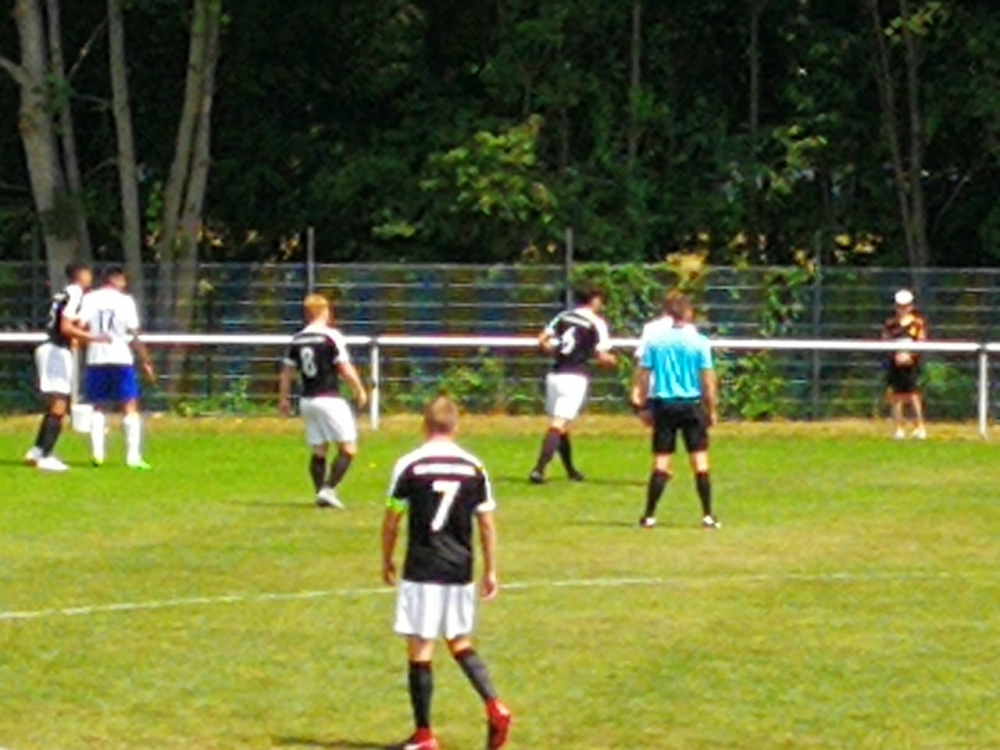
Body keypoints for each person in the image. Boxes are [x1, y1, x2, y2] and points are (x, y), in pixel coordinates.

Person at [381, 396, 512, 750]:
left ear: (424, 425)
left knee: (420, 647)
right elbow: (486, 522)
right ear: (456, 426)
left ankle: (424, 735)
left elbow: (393, 517)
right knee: (459, 641)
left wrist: (386, 558)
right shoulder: (474, 467)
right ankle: (495, 705)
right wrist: (491, 569)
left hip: (423, 567)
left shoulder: (410, 465)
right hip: (459, 568)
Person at [630, 291, 720, 529]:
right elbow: (707, 380)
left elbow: (643, 376)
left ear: (669, 314)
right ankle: (708, 515)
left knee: (661, 462)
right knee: (699, 460)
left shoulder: (655, 342)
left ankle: (649, 515)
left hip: (664, 405)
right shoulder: (699, 342)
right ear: (689, 313)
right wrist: (711, 408)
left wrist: (641, 405)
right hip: (691, 404)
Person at [278, 294, 367, 509]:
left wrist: (283, 399)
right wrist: (359, 389)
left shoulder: (297, 339)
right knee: (348, 448)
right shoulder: (331, 336)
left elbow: (287, 372)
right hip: (329, 398)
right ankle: (328, 489)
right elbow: (344, 367)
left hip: (307, 401)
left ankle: (321, 494)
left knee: (319, 449)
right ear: (324, 312)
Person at [528, 287, 617, 484]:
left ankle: (571, 471)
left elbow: (542, 339)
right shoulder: (596, 322)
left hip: (555, 375)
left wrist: (550, 349)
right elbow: (602, 355)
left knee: (562, 426)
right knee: (558, 424)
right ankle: (539, 469)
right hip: (575, 376)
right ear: (594, 300)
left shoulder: (563, 316)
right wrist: (612, 361)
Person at [24, 262, 105, 472]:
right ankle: (46, 456)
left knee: (56, 403)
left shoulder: (64, 294)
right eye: (88, 273)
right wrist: (94, 337)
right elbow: (65, 327)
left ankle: (37, 451)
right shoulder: (75, 293)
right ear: (80, 275)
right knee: (59, 405)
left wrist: (78, 336)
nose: (90, 277)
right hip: (56, 351)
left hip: (53, 349)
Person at [78, 267, 155, 469]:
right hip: (121, 357)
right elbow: (134, 333)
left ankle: (97, 454)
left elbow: (80, 326)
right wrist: (145, 360)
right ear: (116, 280)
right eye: (123, 280)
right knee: (129, 405)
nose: (124, 284)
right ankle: (133, 457)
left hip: (96, 358)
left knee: (97, 405)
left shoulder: (90, 298)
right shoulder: (125, 301)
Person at [882, 289, 928, 440]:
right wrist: (894, 355)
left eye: (905, 306)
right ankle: (898, 428)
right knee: (896, 395)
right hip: (895, 363)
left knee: (913, 394)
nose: (902, 309)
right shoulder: (891, 324)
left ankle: (919, 427)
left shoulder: (917, 323)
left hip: (911, 364)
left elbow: (921, 341)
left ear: (911, 306)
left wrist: (911, 356)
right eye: (899, 306)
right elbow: (885, 341)